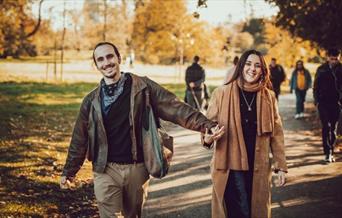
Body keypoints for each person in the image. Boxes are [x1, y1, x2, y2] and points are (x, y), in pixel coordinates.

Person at [60, 42, 222, 218]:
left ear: (119, 58)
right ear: (96, 65)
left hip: (137, 168)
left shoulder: (143, 87)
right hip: (105, 170)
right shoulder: (91, 101)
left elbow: (175, 108)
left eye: (110, 56)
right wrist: (69, 171)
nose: (106, 62)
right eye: (100, 59)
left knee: (133, 215)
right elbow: (79, 138)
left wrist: (207, 125)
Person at [203, 50, 287, 218]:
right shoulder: (222, 93)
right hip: (230, 164)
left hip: (259, 165)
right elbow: (207, 126)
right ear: (241, 67)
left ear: (263, 70)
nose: (252, 69)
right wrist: (209, 137)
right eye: (248, 64)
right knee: (239, 211)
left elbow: (277, 134)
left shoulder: (269, 97)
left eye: (257, 65)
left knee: (255, 210)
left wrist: (281, 165)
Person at [313, 48, 342, 163]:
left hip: (336, 102)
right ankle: (327, 153)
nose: (334, 61)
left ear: (339, 57)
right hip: (323, 103)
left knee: (334, 129)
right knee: (326, 127)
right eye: (332, 59)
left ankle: (331, 150)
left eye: (336, 59)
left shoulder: (341, 69)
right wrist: (317, 101)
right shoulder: (321, 69)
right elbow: (315, 87)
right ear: (327, 57)